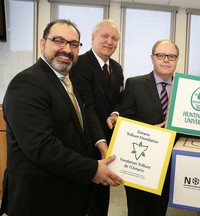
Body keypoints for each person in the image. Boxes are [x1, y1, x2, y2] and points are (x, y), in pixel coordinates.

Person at [0, 19, 123, 216]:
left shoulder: (68, 83)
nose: (66, 49)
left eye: (73, 44)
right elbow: (41, 146)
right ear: (42, 44)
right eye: (58, 41)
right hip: (38, 200)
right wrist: (91, 169)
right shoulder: (26, 83)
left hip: (65, 192)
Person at [107, 39, 179, 216]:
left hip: (169, 163)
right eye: (160, 55)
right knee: (137, 210)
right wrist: (149, 132)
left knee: (159, 210)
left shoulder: (185, 88)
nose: (166, 60)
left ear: (177, 59)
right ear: (152, 58)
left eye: (171, 56)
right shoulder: (135, 84)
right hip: (140, 161)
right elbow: (126, 118)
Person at [70, 19, 124, 216]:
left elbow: (120, 99)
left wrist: (115, 113)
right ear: (93, 38)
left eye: (114, 38)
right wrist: (101, 142)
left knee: (102, 200)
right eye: (105, 36)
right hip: (87, 143)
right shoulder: (80, 65)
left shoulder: (117, 68)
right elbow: (87, 107)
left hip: (108, 143)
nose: (110, 41)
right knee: (83, 200)